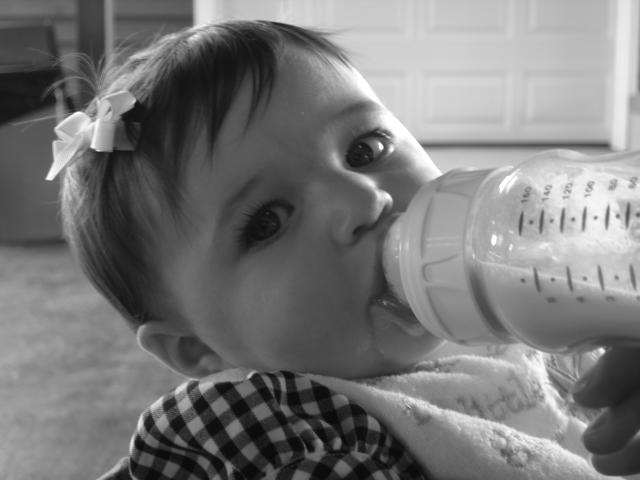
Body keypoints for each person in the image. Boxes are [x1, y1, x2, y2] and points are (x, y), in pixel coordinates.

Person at [49, 20, 639, 479]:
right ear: (197, 347)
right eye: (268, 222)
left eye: (365, 150)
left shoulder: (509, 298)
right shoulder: (289, 437)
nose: (363, 200)